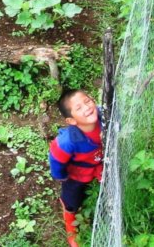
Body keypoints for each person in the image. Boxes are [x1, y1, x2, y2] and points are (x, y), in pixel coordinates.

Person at [49, 89, 104, 247]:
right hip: (76, 174)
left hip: (98, 164)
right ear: (71, 121)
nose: (87, 108)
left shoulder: (104, 118)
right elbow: (55, 160)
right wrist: (61, 176)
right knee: (72, 199)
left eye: (87, 101)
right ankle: (71, 227)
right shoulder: (66, 142)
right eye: (79, 108)